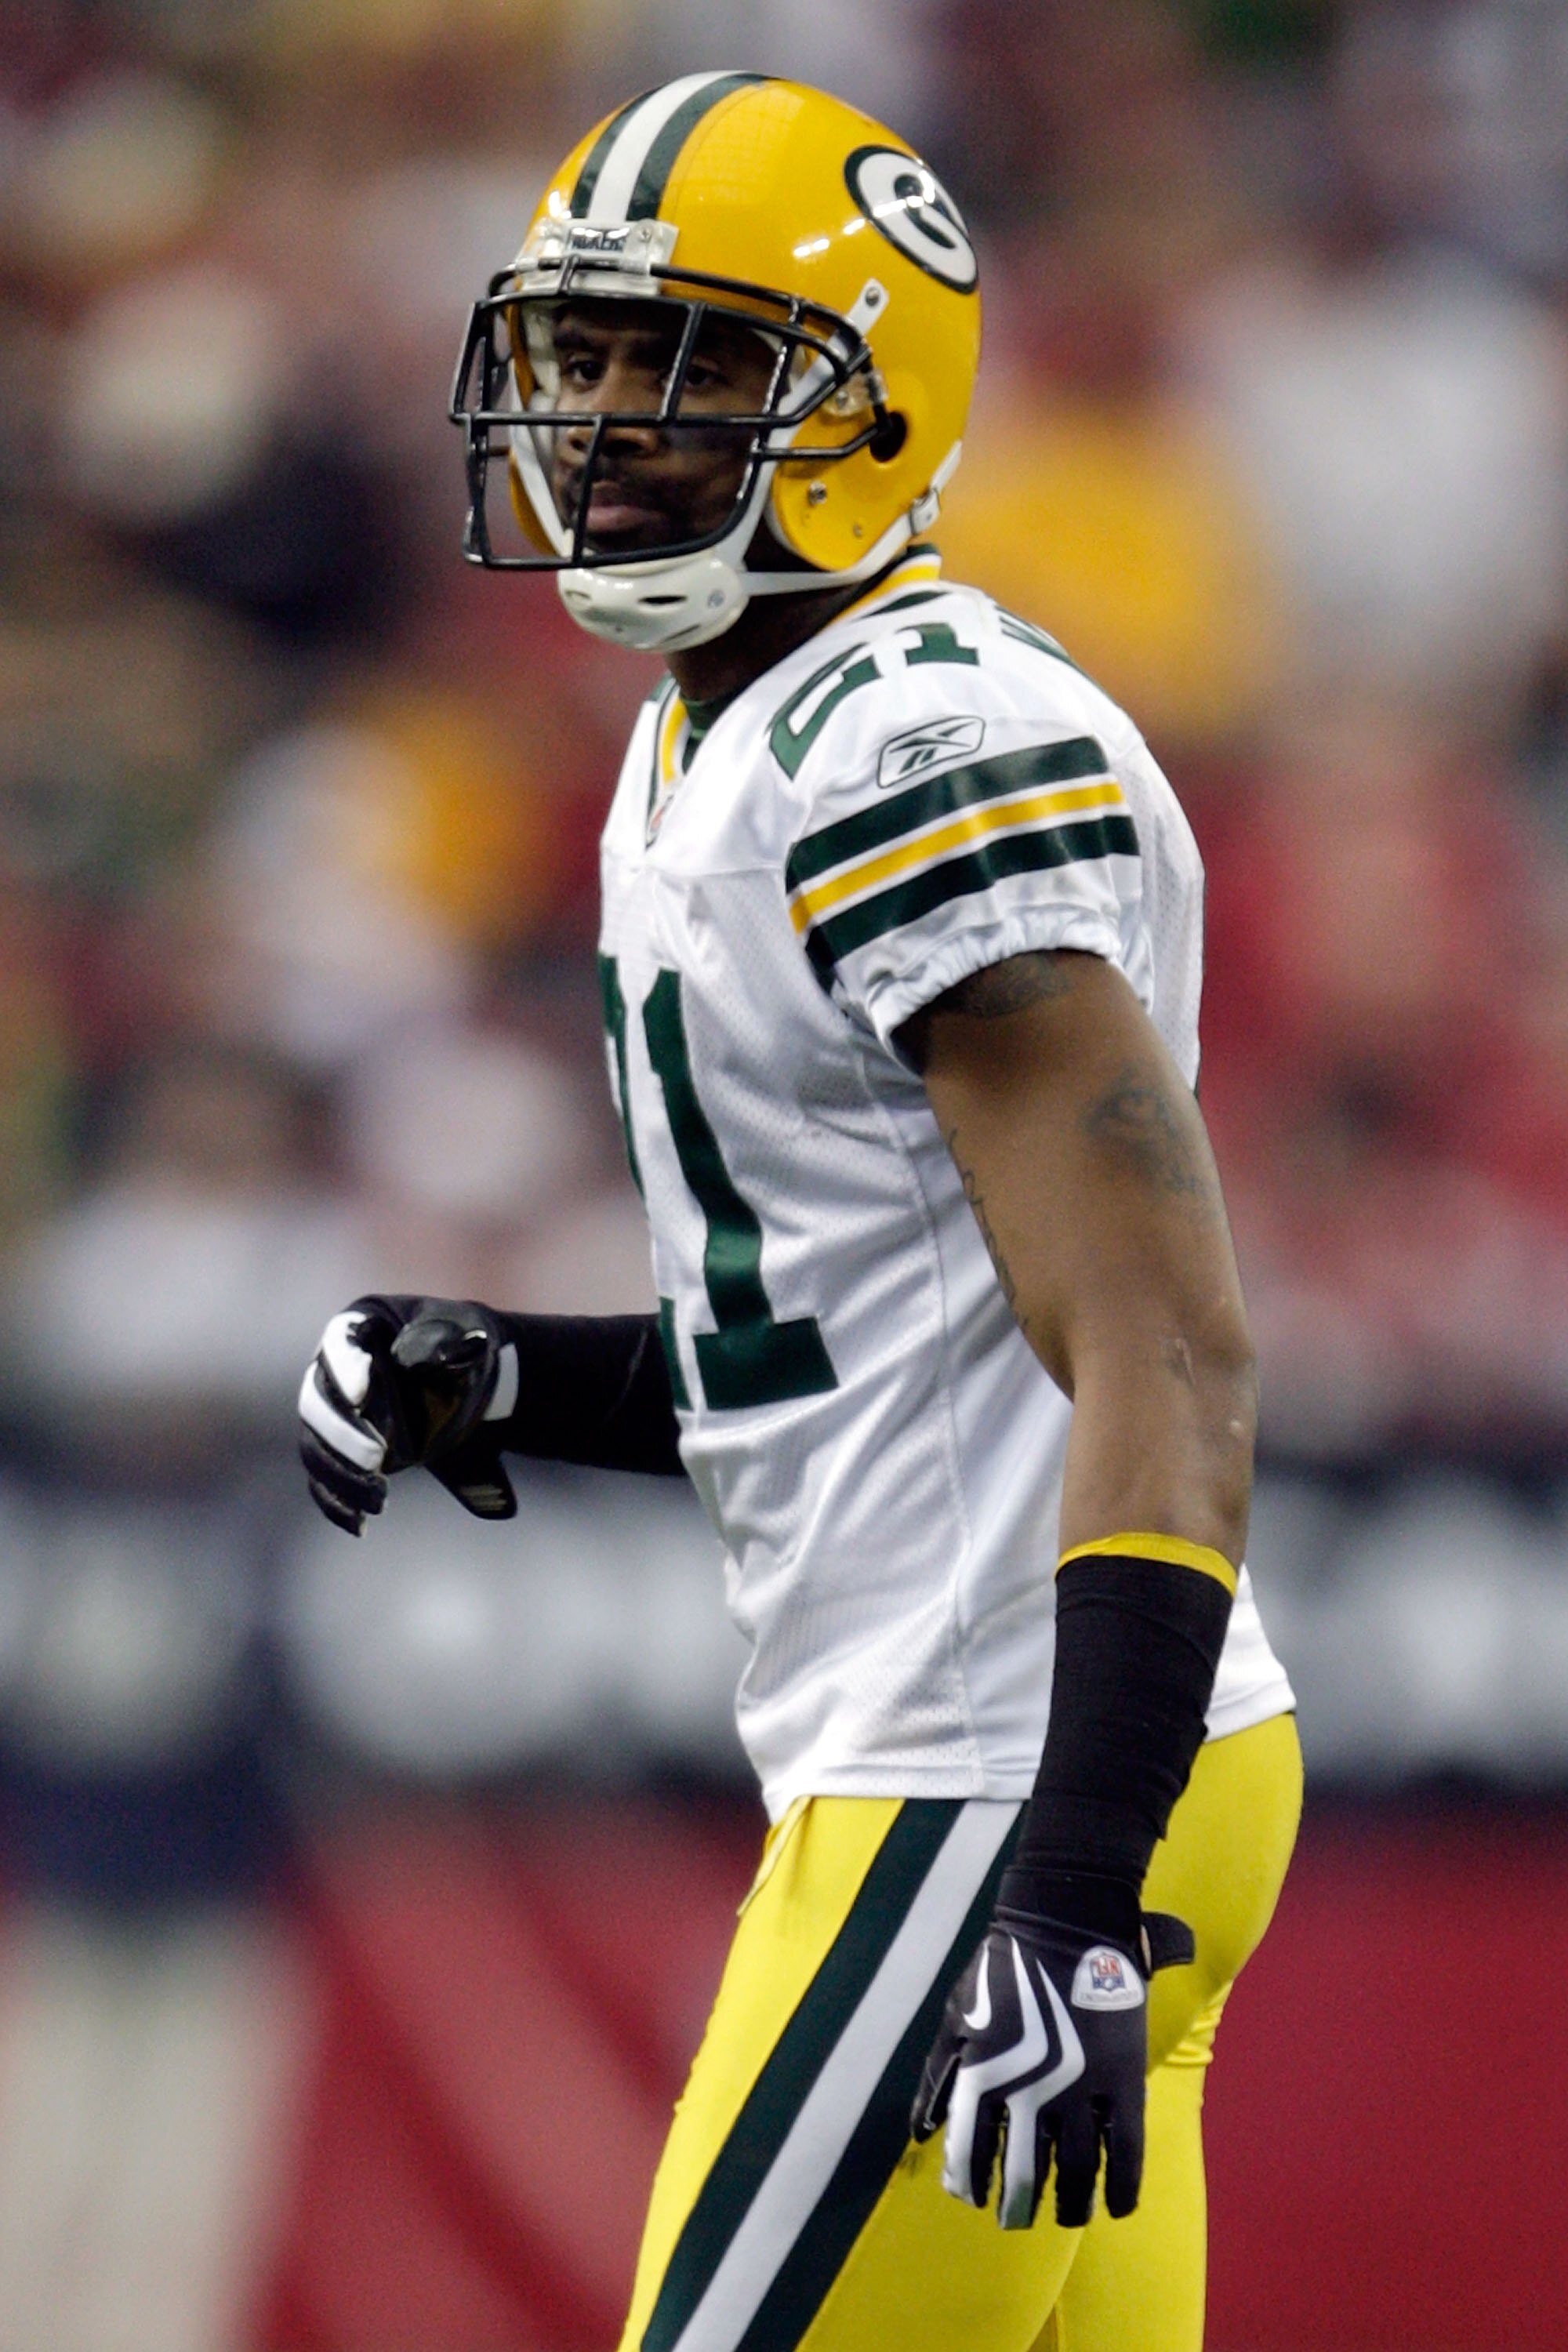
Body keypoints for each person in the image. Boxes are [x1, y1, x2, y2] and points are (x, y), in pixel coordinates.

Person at [298, 73, 1300, 2352]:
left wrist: (1059, 1884)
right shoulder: (725, 740)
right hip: (1028, 1762)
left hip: (996, 1783)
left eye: (698, 365)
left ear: (876, 392)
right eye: (580, 358)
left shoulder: (907, 753)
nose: (610, 425)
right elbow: (871, 1349)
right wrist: (510, 1369)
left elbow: (1165, 1341)